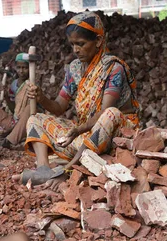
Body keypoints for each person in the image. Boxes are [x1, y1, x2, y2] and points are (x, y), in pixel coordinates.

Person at [17, 11, 140, 187]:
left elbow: (103, 114)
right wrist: (41, 97)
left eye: (81, 44)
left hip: (113, 135)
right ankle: (44, 169)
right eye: (73, 44)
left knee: (111, 114)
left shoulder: (113, 69)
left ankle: (68, 169)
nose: (76, 49)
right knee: (35, 119)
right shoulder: (74, 69)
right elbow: (59, 107)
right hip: (86, 137)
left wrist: (78, 130)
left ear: (98, 41)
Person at [0, 54, 32, 148]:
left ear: (30, 68)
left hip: (26, 124)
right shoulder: (14, 85)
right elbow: (14, 110)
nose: (21, 71)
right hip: (14, 121)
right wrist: (7, 98)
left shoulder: (32, 83)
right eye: (19, 67)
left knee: (29, 108)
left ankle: (9, 142)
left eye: (25, 68)